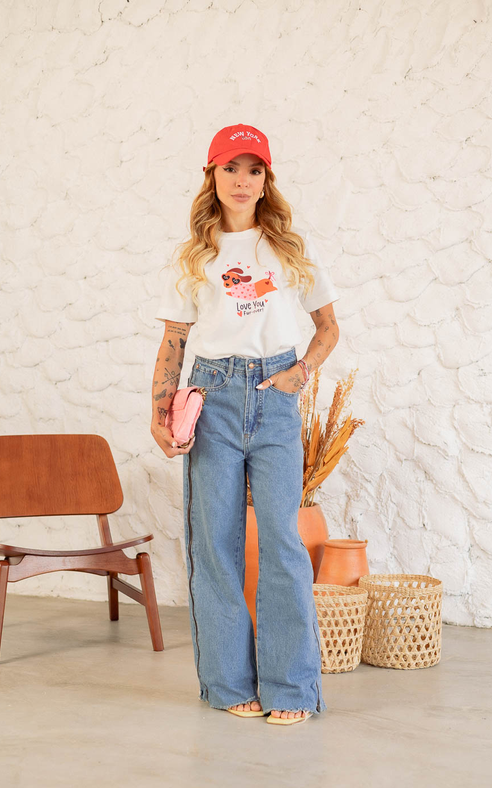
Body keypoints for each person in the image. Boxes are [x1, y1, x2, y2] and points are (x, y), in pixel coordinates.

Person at [151, 124, 340, 726]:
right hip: (212, 398)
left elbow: (328, 327)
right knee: (215, 546)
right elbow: (174, 340)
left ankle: (292, 687)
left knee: (283, 542)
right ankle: (227, 683)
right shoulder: (193, 257)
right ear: (211, 175)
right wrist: (160, 410)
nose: (241, 180)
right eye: (230, 168)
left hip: (276, 399)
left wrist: (301, 372)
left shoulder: (289, 249)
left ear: (266, 180)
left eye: (253, 169)